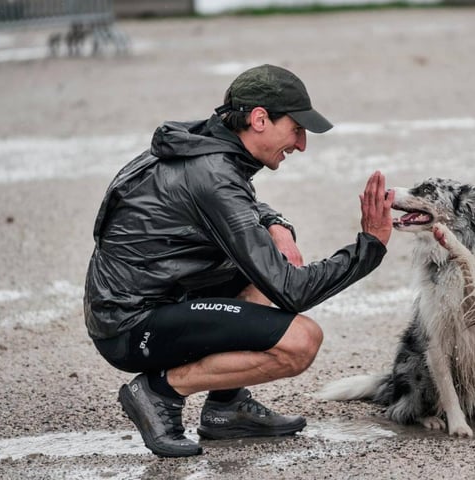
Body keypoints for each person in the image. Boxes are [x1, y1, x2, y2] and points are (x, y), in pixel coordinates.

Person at [83, 64, 394, 457]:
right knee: (301, 341)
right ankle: (159, 391)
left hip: (148, 302)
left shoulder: (204, 146)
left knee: (263, 272)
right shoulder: (212, 173)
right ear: (260, 119)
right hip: (130, 327)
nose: (301, 144)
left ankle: (226, 409)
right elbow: (291, 291)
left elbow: (226, 203)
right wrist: (370, 247)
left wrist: (274, 223)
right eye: (296, 129)